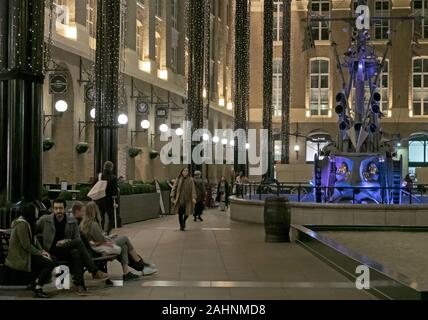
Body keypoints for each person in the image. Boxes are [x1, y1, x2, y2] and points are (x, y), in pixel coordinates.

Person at [36, 199, 109, 296]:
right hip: (52, 251)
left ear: (65, 209)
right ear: (53, 209)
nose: (58, 211)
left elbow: (77, 238)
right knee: (78, 245)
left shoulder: (72, 221)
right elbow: (34, 230)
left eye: (60, 208)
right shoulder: (45, 220)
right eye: (56, 208)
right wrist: (40, 249)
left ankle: (80, 286)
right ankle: (94, 271)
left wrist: (67, 241)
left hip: (66, 250)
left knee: (76, 253)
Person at [80, 202, 157, 281]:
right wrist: (109, 238)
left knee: (123, 246)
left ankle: (126, 273)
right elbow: (102, 240)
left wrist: (109, 236)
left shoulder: (84, 224)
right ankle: (139, 262)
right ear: (95, 211)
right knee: (125, 238)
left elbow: (96, 238)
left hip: (97, 247)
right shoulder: (94, 225)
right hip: (102, 247)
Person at [6, 202, 56, 298]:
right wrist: (40, 253)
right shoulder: (22, 224)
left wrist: (43, 252)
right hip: (22, 256)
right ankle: (38, 287)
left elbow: (35, 240)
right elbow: (26, 245)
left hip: (28, 254)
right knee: (49, 263)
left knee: (52, 259)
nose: (37, 212)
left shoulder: (28, 223)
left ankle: (35, 282)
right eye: (35, 210)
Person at [94, 161, 119, 235]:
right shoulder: (113, 177)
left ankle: (100, 231)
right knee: (111, 217)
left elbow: (93, 186)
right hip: (109, 201)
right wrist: (116, 201)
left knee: (100, 216)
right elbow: (114, 192)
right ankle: (107, 232)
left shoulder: (98, 176)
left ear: (104, 167)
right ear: (111, 168)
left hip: (99, 200)